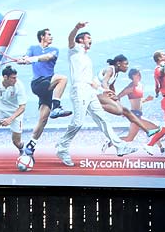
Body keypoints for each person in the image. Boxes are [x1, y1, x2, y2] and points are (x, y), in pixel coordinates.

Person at [54, 21, 138, 166]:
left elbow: (91, 82)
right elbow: (70, 39)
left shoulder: (87, 58)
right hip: (79, 90)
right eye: (88, 37)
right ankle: (62, 147)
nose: (90, 40)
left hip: (90, 90)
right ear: (80, 40)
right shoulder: (74, 50)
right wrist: (77, 28)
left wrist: (103, 90)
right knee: (78, 122)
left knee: (102, 118)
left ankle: (120, 146)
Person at [16, 28, 71, 160]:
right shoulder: (33, 48)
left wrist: (31, 59)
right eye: (49, 35)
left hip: (48, 86)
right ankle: (56, 106)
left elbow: (47, 57)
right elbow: (27, 56)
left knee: (43, 119)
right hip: (38, 84)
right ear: (42, 37)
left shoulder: (54, 50)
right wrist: (24, 59)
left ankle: (31, 145)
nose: (51, 37)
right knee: (62, 78)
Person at [95, 55, 160, 141]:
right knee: (120, 111)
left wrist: (114, 96)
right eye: (125, 64)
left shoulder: (116, 73)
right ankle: (94, 105)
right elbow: (104, 82)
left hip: (103, 92)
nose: (127, 66)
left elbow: (111, 85)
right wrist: (108, 92)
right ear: (118, 63)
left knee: (125, 110)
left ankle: (147, 131)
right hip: (96, 93)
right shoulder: (110, 69)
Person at [117, 68, 156, 142]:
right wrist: (121, 110)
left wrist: (147, 99)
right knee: (155, 128)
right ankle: (161, 148)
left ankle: (110, 142)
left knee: (129, 138)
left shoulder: (140, 85)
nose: (140, 76)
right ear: (133, 76)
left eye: (140, 74)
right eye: (138, 74)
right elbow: (117, 97)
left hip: (139, 114)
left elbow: (139, 101)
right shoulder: (130, 87)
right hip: (134, 114)